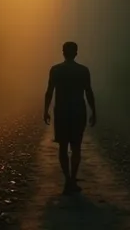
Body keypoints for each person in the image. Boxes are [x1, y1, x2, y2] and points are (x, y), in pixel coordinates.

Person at [43, 41, 97, 195]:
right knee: (76, 146)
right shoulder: (83, 71)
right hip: (78, 111)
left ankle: (67, 179)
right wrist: (94, 111)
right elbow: (89, 92)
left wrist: (45, 110)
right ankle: (73, 178)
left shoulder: (56, 70)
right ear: (76, 53)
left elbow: (49, 92)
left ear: (63, 52)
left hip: (61, 111)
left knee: (62, 146)